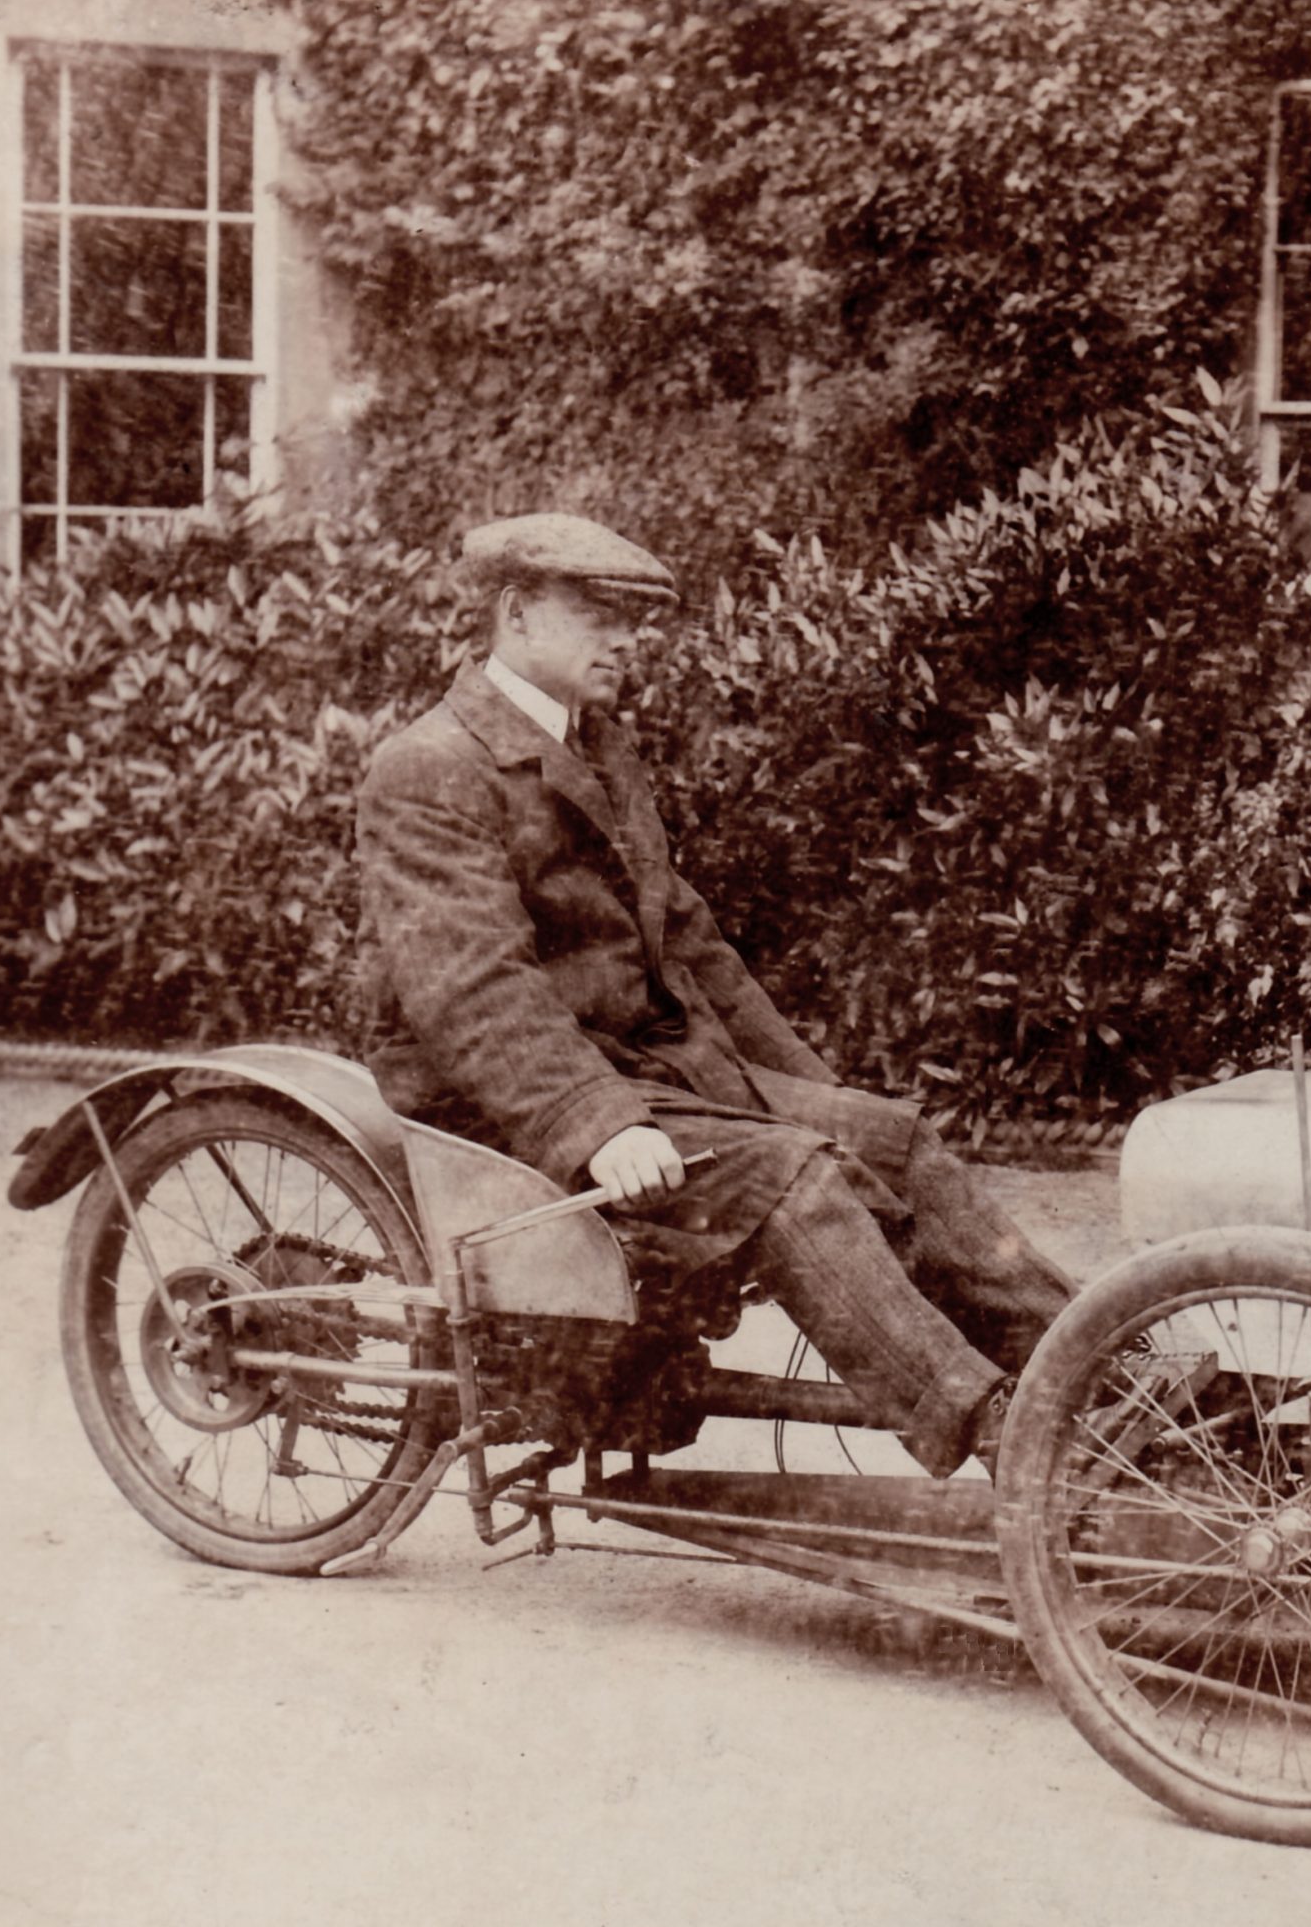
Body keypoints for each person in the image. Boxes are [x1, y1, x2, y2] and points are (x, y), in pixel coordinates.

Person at [356, 511, 1075, 1475]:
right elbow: (474, 991)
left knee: (894, 1143)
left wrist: (825, 1101)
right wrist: (598, 1125)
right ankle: (1005, 1439)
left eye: (635, 620)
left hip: (653, 1073)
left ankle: (1104, 1373)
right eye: (600, 615)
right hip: (511, 1109)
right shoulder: (429, 766)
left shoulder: (599, 749)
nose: (628, 640)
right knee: (793, 1180)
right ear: (517, 615)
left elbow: (689, 943)